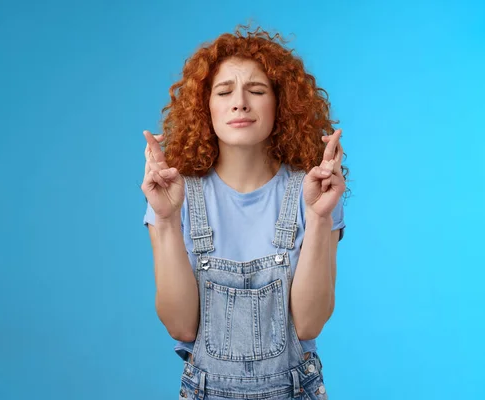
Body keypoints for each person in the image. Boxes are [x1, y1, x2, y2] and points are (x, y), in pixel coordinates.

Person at [142, 25, 348, 399]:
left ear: (280, 104)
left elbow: (308, 324)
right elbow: (181, 327)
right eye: (224, 92)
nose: (240, 103)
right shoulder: (175, 195)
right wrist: (168, 220)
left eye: (256, 90)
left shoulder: (314, 192)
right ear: (206, 107)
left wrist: (318, 219)